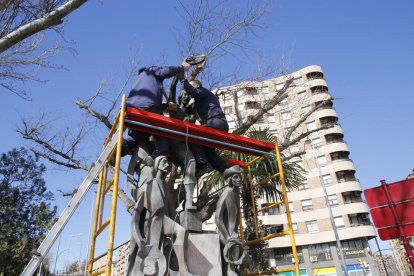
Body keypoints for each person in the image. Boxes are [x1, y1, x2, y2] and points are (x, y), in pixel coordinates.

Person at [123, 60, 191, 163]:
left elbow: (143, 102)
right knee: (166, 135)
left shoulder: (138, 82)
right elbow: (165, 71)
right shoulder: (151, 70)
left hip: (132, 111)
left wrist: (166, 106)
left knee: (136, 137)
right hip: (148, 111)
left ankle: (120, 149)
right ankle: (153, 157)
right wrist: (182, 67)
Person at [182, 79, 231, 177]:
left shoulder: (203, 91)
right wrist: (183, 102)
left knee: (192, 137)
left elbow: (192, 91)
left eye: (191, 87)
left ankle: (203, 164)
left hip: (216, 122)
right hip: (215, 124)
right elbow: (186, 110)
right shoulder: (197, 102)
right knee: (207, 150)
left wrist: (183, 81)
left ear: (196, 86)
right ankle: (224, 168)